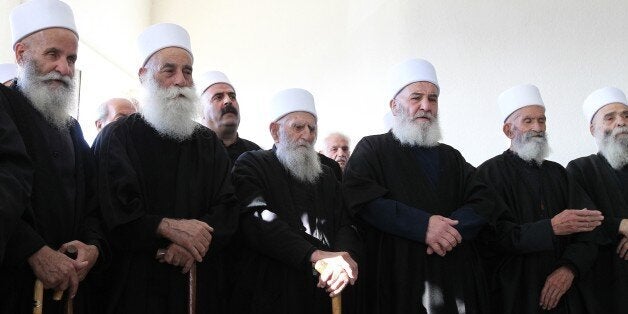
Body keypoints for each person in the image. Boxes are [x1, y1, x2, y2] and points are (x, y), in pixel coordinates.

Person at [92, 23, 238, 314]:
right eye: (168, 71)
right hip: (133, 285)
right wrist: (167, 228)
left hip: (197, 282)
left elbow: (227, 207)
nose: (180, 81)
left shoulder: (207, 142)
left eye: (187, 71)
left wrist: (191, 245)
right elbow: (112, 211)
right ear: (144, 76)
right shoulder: (118, 137)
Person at [342, 58, 493, 313]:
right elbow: (362, 200)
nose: (426, 106)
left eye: (432, 99)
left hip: (453, 275)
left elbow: (484, 199)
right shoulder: (372, 148)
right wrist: (423, 226)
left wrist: (449, 231)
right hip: (397, 277)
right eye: (416, 98)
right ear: (394, 105)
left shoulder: (451, 156)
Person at [0, 1, 107, 313]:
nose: (65, 68)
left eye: (71, 58)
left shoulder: (71, 128)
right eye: (53, 55)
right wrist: (31, 249)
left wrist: (93, 247)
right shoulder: (3, 104)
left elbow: (94, 204)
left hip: (67, 291)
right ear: (21, 54)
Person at [230, 88, 362, 314]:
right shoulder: (252, 164)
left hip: (323, 289)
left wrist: (343, 259)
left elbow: (345, 223)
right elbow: (258, 221)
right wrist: (314, 255)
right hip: (273, 290)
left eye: (312, 129)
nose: (307, 136)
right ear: (275, 131)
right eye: (298, 127)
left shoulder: (326, 175)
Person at [476, 84, 603, 313]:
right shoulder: (488, 174)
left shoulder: (560, 174)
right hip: (513, 295)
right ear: (508, 130)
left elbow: (590, 230)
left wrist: (569, 268)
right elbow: (490, 237)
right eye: (528, 121)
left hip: (565, 296)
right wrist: (550, 228)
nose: (537, 127)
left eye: (542, 121)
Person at [566, 86, 628, 313]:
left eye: (625, 115)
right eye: (610, 118)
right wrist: (622, 225)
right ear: (593, 129)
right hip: (604, 283)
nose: (621, 122)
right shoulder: (580, 169)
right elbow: (583, 223)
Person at [198, 70, 261, 164]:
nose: (228, 101)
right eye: (218, 97)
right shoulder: (191, 151)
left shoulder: (256, 154)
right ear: (201, 110)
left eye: (232, 96)